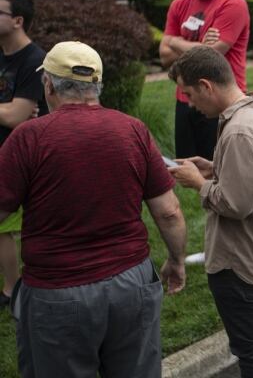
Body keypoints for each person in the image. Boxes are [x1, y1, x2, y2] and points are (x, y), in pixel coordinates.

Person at [0, 41, 187, 378]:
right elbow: (169, 211)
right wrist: (176, 260)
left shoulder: (28, 138)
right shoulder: (133, 130)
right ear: (97, 86)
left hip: (57, 293)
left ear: (48, 85)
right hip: (132, 284)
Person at [167, 46, 253, 378]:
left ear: (207, 85)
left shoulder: (238, 131)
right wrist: (213, 167)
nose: (190, 104)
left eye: (190, 94)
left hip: (239, 260)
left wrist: (197, 183)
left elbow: (236, 204)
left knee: (251, 350)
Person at [160, 0, 250, 160]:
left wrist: (174, 41)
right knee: (190, 170)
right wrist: (201, 42)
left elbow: (210, 57)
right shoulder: (178, 5)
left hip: (220, 101)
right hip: (185, 99)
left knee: (222, 171)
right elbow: (164, 56)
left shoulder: (232, 4)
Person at [0, 0, 48, 306]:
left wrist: (11, 112)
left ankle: (14, 289)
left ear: (17, 21)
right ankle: (12, 287)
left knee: (6, 223)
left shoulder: (34, 60)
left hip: (22, 154)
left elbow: (17, 117)